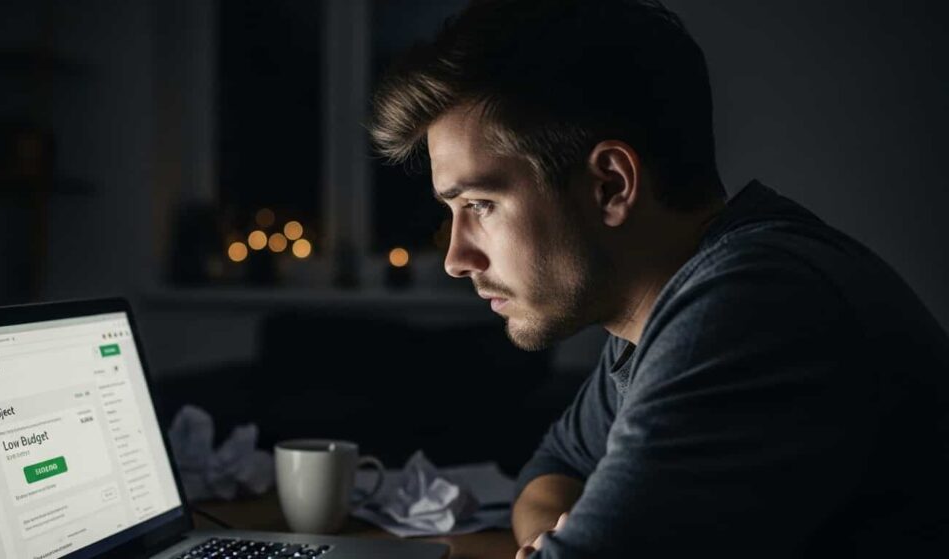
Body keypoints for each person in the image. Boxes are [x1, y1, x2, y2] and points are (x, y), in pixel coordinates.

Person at [369, 0, 949, 556]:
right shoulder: (651, 314)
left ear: (612, 186)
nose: (456, 258)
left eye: (480, 204)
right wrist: (557, 538)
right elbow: (553, 471)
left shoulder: (748, 306)